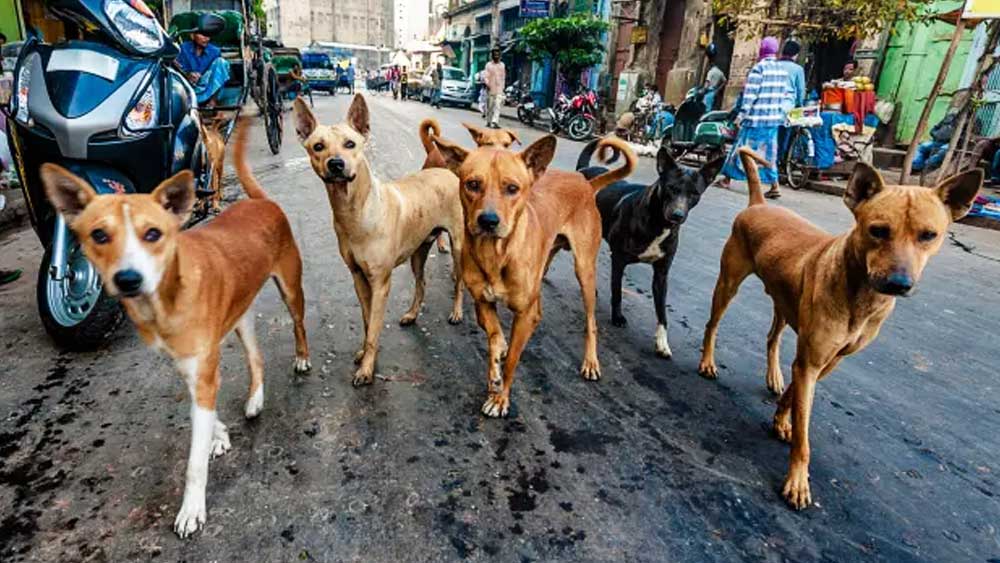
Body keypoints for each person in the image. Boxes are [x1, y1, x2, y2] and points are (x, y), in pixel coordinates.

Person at [715, 36, 794, 199]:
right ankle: (774, 185)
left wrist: (740, 117)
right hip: (773, 120)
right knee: (769, 153)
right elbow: (785, 95)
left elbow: (749, 97)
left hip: (755, 119)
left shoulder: (758, 69)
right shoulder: (782, 71)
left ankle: (727, 179)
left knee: (741, 149)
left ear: (762, 50)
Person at [176, 29, 230, 107]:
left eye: (208, 36)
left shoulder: (215, 51)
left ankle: (213, 101)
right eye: (203, 35)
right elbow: (177, 68)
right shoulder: (183, 49)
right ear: (192, 36)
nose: (206, 38)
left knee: (221, 63)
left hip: (207, 85)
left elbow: (218, 75)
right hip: (187, 86)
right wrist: (187, 75)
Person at [484, 48, 506, 128]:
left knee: (497, 106)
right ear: (492, 56)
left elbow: (503, 77)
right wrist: (487, 84)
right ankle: (489, 121)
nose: (496, 56)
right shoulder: (488, 65)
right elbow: (486, 76)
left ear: (500, 56)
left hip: (499, 89)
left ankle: (495, 122)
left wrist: (503, 88)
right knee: (490, 107)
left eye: (498, 54)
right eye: (495, 54)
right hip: (490, 89)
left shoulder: (502, 65)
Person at [702, 43, 727, 111]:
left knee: (706, 108)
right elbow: (725, 81)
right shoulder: (720, 72)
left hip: (709, 92)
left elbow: (707, 84)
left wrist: (702, 91)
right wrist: (718, 90)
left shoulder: (710, 72)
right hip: (714, 92)